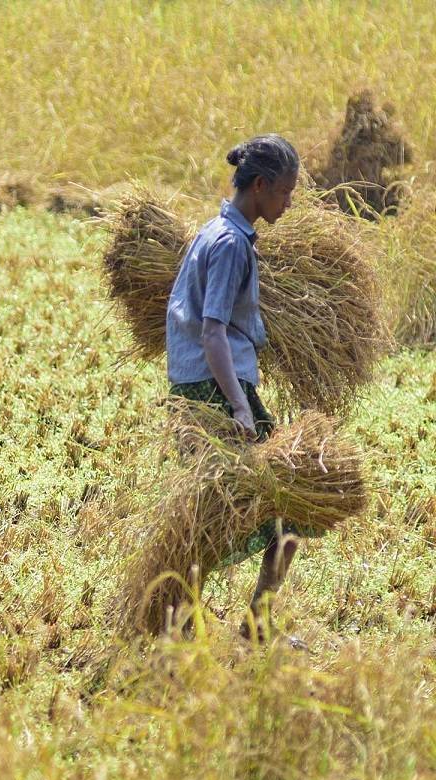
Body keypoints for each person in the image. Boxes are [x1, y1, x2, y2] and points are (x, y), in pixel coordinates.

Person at [164, 135, 313, 641]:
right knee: (286, 504)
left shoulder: (216, 232)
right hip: (215, 391)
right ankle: (250, 622)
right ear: (260, 185)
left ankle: (189, 618)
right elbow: (212, 332)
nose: (289, 203)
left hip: (197, 386)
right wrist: (239, 407)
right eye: (286, 192)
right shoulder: (230, 245)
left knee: (215, 509)